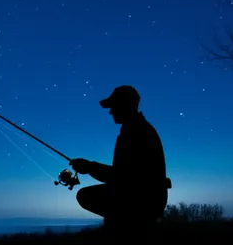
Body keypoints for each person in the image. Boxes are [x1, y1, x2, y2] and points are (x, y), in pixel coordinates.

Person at [70, 85, 170, 232]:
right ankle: (124, 230)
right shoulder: (137, 129)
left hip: (144, 198)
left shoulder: (135, 132)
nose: (110, 111)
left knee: (85, 195)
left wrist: (89, 167)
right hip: (148, 195)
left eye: (113, 106)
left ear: (125, 106)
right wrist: (89, 167)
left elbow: (122, 176)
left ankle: (126, 233)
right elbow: (123, 175)